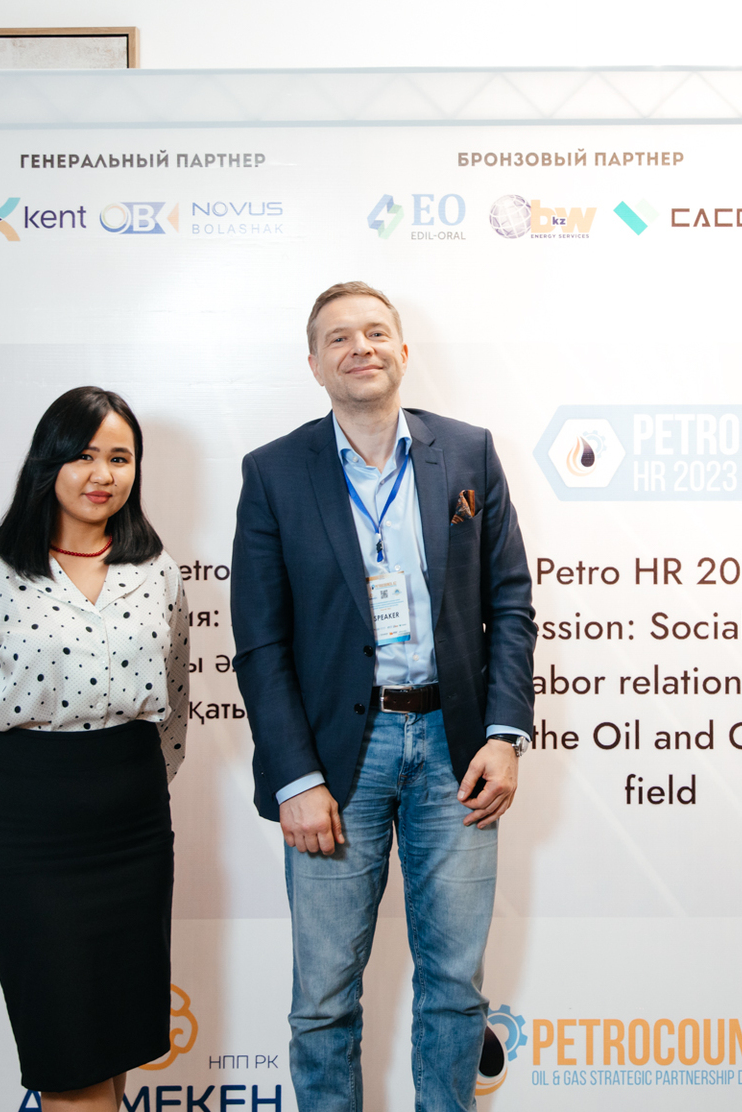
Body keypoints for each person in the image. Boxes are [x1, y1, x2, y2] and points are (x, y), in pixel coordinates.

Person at [231, 281, 535, 1112]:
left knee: (456, 988)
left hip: (455, 749)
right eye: (339, 338)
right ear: (314, 364)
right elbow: (260, 643)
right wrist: (295, 778)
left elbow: (509, 602)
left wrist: (504, 734)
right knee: (324, 999)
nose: (359, 347)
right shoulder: (273, 473)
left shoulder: (468, 453)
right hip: (335, 763)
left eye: (374, 333)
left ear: (402, 350)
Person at [0, 386, 191, 1108]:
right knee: (69, 1060)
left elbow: (174, 700)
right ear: (48, 464)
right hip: (32, 832)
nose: (102, 474)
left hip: (134, 826)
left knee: (116, 1045)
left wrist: (136, 778)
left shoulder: (158, 572)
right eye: (83, 455)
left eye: (120, 457)